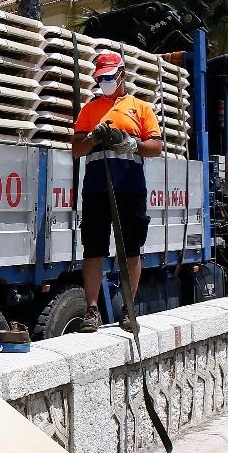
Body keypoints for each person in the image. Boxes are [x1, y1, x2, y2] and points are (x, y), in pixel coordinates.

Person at [71, 51, 164, 331]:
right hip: (97, 188)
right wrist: (93, 138)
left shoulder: (141, 108)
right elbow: (76, 150)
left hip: (130, 188)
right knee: (94, 250)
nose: (105, 82)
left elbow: (156, 147)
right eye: (101, 79)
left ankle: (128, 308)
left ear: (122, 74)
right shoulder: (90, 109)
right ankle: (92, 310)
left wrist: (133, 144)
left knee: (131, 250)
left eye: (110, 77)